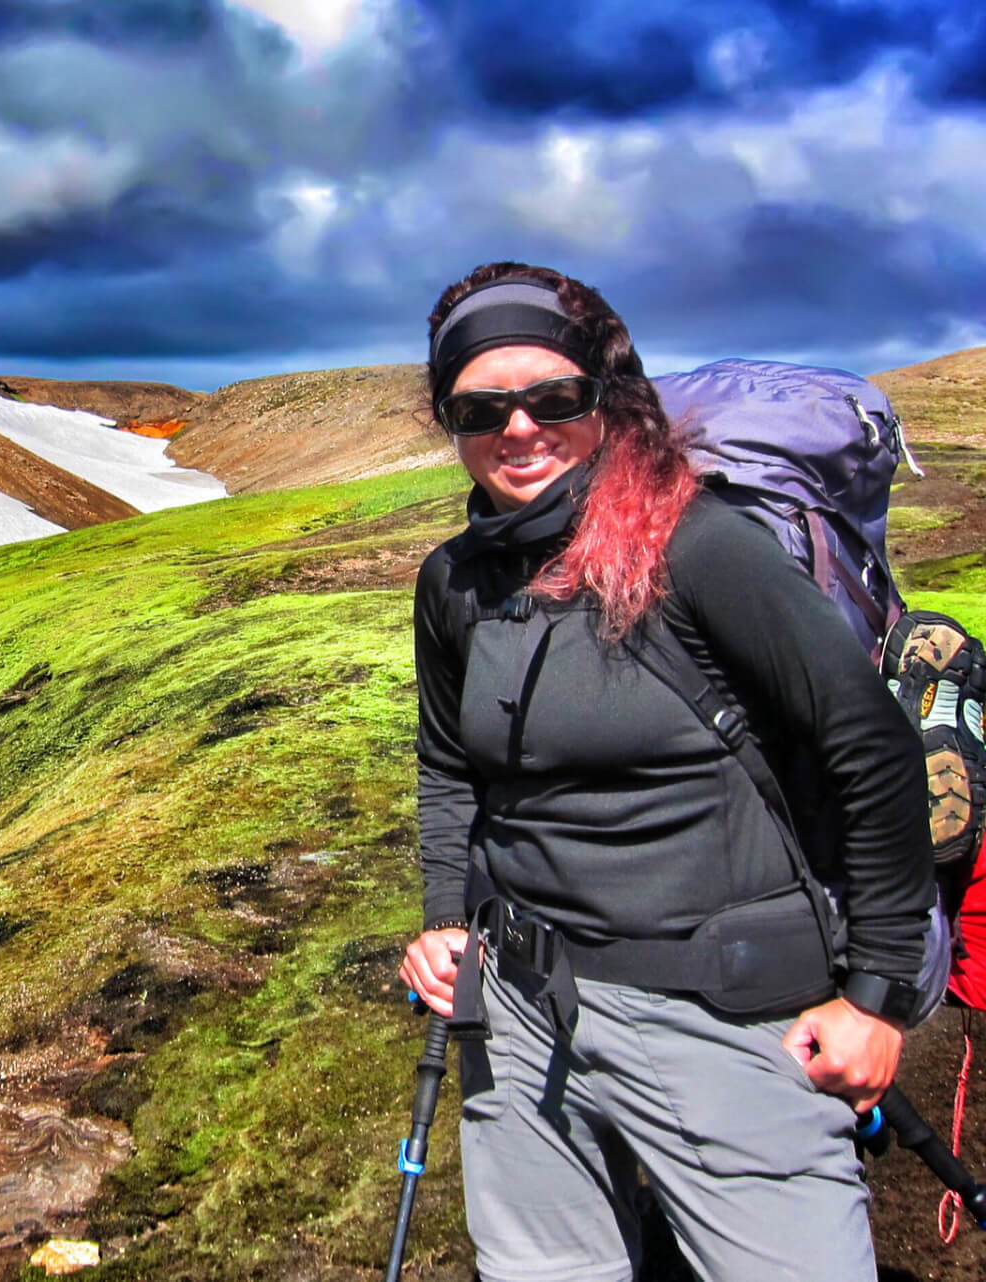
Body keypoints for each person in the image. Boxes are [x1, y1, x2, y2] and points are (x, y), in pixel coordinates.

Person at [396, 262, 937, 1281]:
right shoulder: (454, 580)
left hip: (724, 1010)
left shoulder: (697, 545)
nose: (518, 429)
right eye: (480, 407)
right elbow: (448, 765)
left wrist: (874, 996)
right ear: (448, 420)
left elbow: (869, 745)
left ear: (607, 398)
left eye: (553, 398)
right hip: (516, 1009)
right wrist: (443, 918)